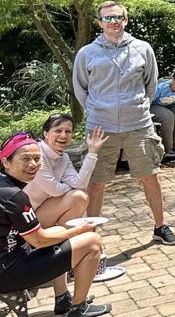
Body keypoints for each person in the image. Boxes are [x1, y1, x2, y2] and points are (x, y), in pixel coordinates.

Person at [74, 3, 175, 246]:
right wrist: (97, 110)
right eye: (107, 18)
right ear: (99, 23)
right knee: (96, 182)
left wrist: (138, 108)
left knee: (150, 177)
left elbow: (150, 85)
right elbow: (80, 88)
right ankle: (92, 235)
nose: (113, 21)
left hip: (138, 125)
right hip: (101, 128)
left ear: (126, 19)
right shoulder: (87, 53)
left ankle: (160, 227)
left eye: (118, 17)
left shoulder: (143, 48)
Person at [0, 132, 110, 317]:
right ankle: (79, 307)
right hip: (3, 275)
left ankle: (63, 297)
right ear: (6, 162)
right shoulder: (13, 196)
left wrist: (66, 233)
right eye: (25, 159)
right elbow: (39, 241)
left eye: (37, 158)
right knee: (92, 242)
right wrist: (78, 230)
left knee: (59, 232)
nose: (33, 164)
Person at [24, 116, 126, 282]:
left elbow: (80, 183)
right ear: (45, 133)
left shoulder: (62, 158)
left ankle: (67, 254)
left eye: (68, 131)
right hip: (23, 219)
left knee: (79, 197)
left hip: (41, 212)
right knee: (77, 196)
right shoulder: (37, 155)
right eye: (58, 131)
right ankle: (66, 255)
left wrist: (92, 152)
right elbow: (54, 189)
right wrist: (70, 188)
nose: (63, 135)